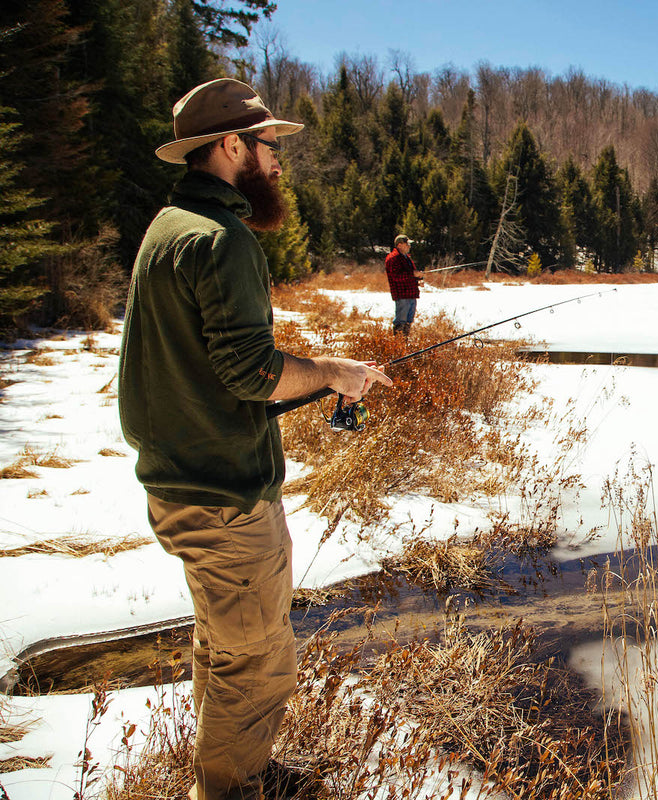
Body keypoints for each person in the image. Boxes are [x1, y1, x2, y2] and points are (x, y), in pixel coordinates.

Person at [118, 78, 392, 800]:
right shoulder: (219, 239)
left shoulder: (170, 226)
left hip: (182, 482)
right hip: (223, 493)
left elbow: (206, 371)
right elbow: (248, 371)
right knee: (257, 656)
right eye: (270, 147)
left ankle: (239, 772)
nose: (278, 163)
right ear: (230, 146)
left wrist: (309, 378)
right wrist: (332, 370)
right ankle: (233, 788)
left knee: (223, 641)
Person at [384, 233, 420, 334]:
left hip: (411, 294)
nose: (409, 246)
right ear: (399, 245)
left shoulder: (406, 258)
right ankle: (398, 346)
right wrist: (413, 274)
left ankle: (404, 345)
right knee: (400, 322)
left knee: (408, 322)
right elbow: (396, 276)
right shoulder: (393, 258)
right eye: (407, 244)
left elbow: (410, 275)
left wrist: (418, 279)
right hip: (402, 295)